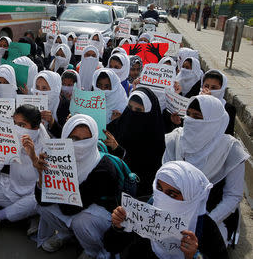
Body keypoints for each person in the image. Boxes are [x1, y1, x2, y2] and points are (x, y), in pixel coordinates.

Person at [162, 95, 250, 245]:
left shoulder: (230, 149)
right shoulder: (176, 138)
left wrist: (204, 222)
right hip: (175, 210)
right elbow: (164, 177)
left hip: (212, 215)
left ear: (214, 121)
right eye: (188, 114)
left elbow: (233, 196)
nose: (190, 120)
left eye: (197, 116)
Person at [30, 115, 119, 258]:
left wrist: (57, 190)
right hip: (71, 205)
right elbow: (42, 200)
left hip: (96, 214)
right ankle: (65, 234)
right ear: (65, 136)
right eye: (74, 139)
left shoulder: (103, 168)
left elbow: (70, 209)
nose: (81, 145)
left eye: (86, 140)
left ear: (94, 139)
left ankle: (92, 251)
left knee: (81, 221)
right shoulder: (56, 156)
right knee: (41, 207)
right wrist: (42, 176)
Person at [104, 161, 229, 259]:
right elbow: (111, 245)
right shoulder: (143, 208)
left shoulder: (205, 228)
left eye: (172, 195)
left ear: (190, 198)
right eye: (159, 188)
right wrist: (117, 226)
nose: (162, 198)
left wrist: (194, 255)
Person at [0, 105, 50, 240]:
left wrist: (33, 157)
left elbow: (46, 184)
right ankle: (27, 215)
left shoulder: (47, 145)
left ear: (35, 128)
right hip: (13, 189)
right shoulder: (10, 138)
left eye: (22, 125)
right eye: (15, 123)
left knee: (40, 200)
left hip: (34, 194)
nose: (16, 128)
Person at [105, 87, 165, 198]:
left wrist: (119, 150)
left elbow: (146, 170)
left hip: (137, 194)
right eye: (130, 107)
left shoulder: (155, 137)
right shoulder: (119, 123)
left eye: (138, 110)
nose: (133, 112)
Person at [200, 69, 236, 135]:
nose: (209, 90)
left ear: (221, 89)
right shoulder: (195, 102)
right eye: (206, 86)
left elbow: (228, 134)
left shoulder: (228, 109)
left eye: (214, 88)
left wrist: (211, 104)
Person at [31, 70, 66, 137]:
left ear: (54, 88)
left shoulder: (64, 105)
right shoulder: (30, 101)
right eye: (37, 87)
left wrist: (51, 121)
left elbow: (65, 136)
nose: (39, 92)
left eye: (44, 88)